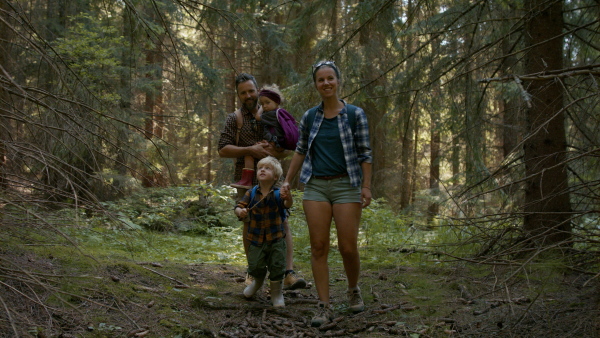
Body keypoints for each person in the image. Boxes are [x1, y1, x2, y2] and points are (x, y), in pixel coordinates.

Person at [281, 61, 372, 327]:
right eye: (321, 80)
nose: (326, 83)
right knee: (319, 246)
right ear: (316, 85)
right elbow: (300, 150)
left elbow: (365, 153)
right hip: (316, 186)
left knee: (347, 247)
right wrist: (287, 180)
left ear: (338, 81)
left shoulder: (355, 114)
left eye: (330, 78)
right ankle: (324, 305)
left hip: (347, 185)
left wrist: (366, 186)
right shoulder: (310, 117)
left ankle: (353, 288)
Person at [218, 73, 306, 291]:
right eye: (243, 92)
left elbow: (289, 146)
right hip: (246, 180)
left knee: (282, 221)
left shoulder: (273, 112)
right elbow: (222, 149)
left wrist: (278, 150)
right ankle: (253, 272)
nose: (248, 95)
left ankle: (287, 273)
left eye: (251, 90)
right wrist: (250, 150)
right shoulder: (234, 119)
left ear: (258, 90)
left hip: (274, 179)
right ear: (238, 95)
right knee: (249, 224)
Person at [234, 156, 292, 307]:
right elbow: (238, 206)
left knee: (277, 265)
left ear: (275, 176)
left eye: (267, 168)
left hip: (276, 239)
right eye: (260, 168)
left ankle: (276, 293)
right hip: (256, 239)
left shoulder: (278, 193)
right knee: (255, 265)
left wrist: (289, 197)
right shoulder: (251, 193)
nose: (262, 170)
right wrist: (240, 212)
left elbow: (287, 204)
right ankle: (257, 282)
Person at [231, 84, 287, 189]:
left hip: (274, 142)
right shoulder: (280, 113)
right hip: (274, 141)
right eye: (262, 103)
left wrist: (261, 106)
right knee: (252, 151)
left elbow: (257, 117)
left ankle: (247, 180)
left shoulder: (272, 114)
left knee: (249, 153)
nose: (264, 106)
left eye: (267, 103)